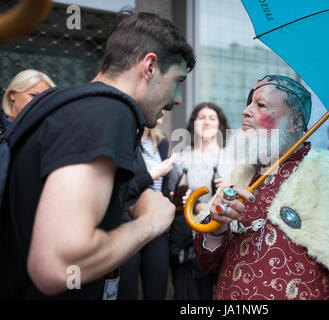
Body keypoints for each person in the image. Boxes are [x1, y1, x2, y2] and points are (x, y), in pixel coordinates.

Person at [0, 9, 195, 299]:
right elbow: (56, 265)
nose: (178, 98)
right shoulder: (108, 111)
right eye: (177, 80)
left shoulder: (66, 102)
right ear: (150, 66)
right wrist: (149, 223)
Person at [193, 75, 329, 300]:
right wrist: (217, 229)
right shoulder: (241, 175)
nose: (246, 111)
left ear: (295, 121)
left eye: (261, 104)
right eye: (249, 102)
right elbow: (208, 263)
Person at [168, 102, 233, 299]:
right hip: (188, 239)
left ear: (220, 125)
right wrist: (196, 205)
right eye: (201, 117)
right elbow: (172, 196)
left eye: (212, 118)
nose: (206, 122)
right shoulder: (179, 158)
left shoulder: (232, 158)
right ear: (193, 123)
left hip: (223, 238)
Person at [118, 120, 174, 300]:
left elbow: (163, 187)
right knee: (126, 292)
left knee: (157, 291)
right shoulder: (124, 141)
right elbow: (120, 189)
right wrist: (152, 175)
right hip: (128, 224)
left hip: (157, 228)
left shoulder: (162, 143)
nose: (167, 106)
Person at [1, 69, 55, 135]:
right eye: (33, 95)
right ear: (12, 94)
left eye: (45, 98)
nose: (39, 101)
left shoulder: (49, 135)